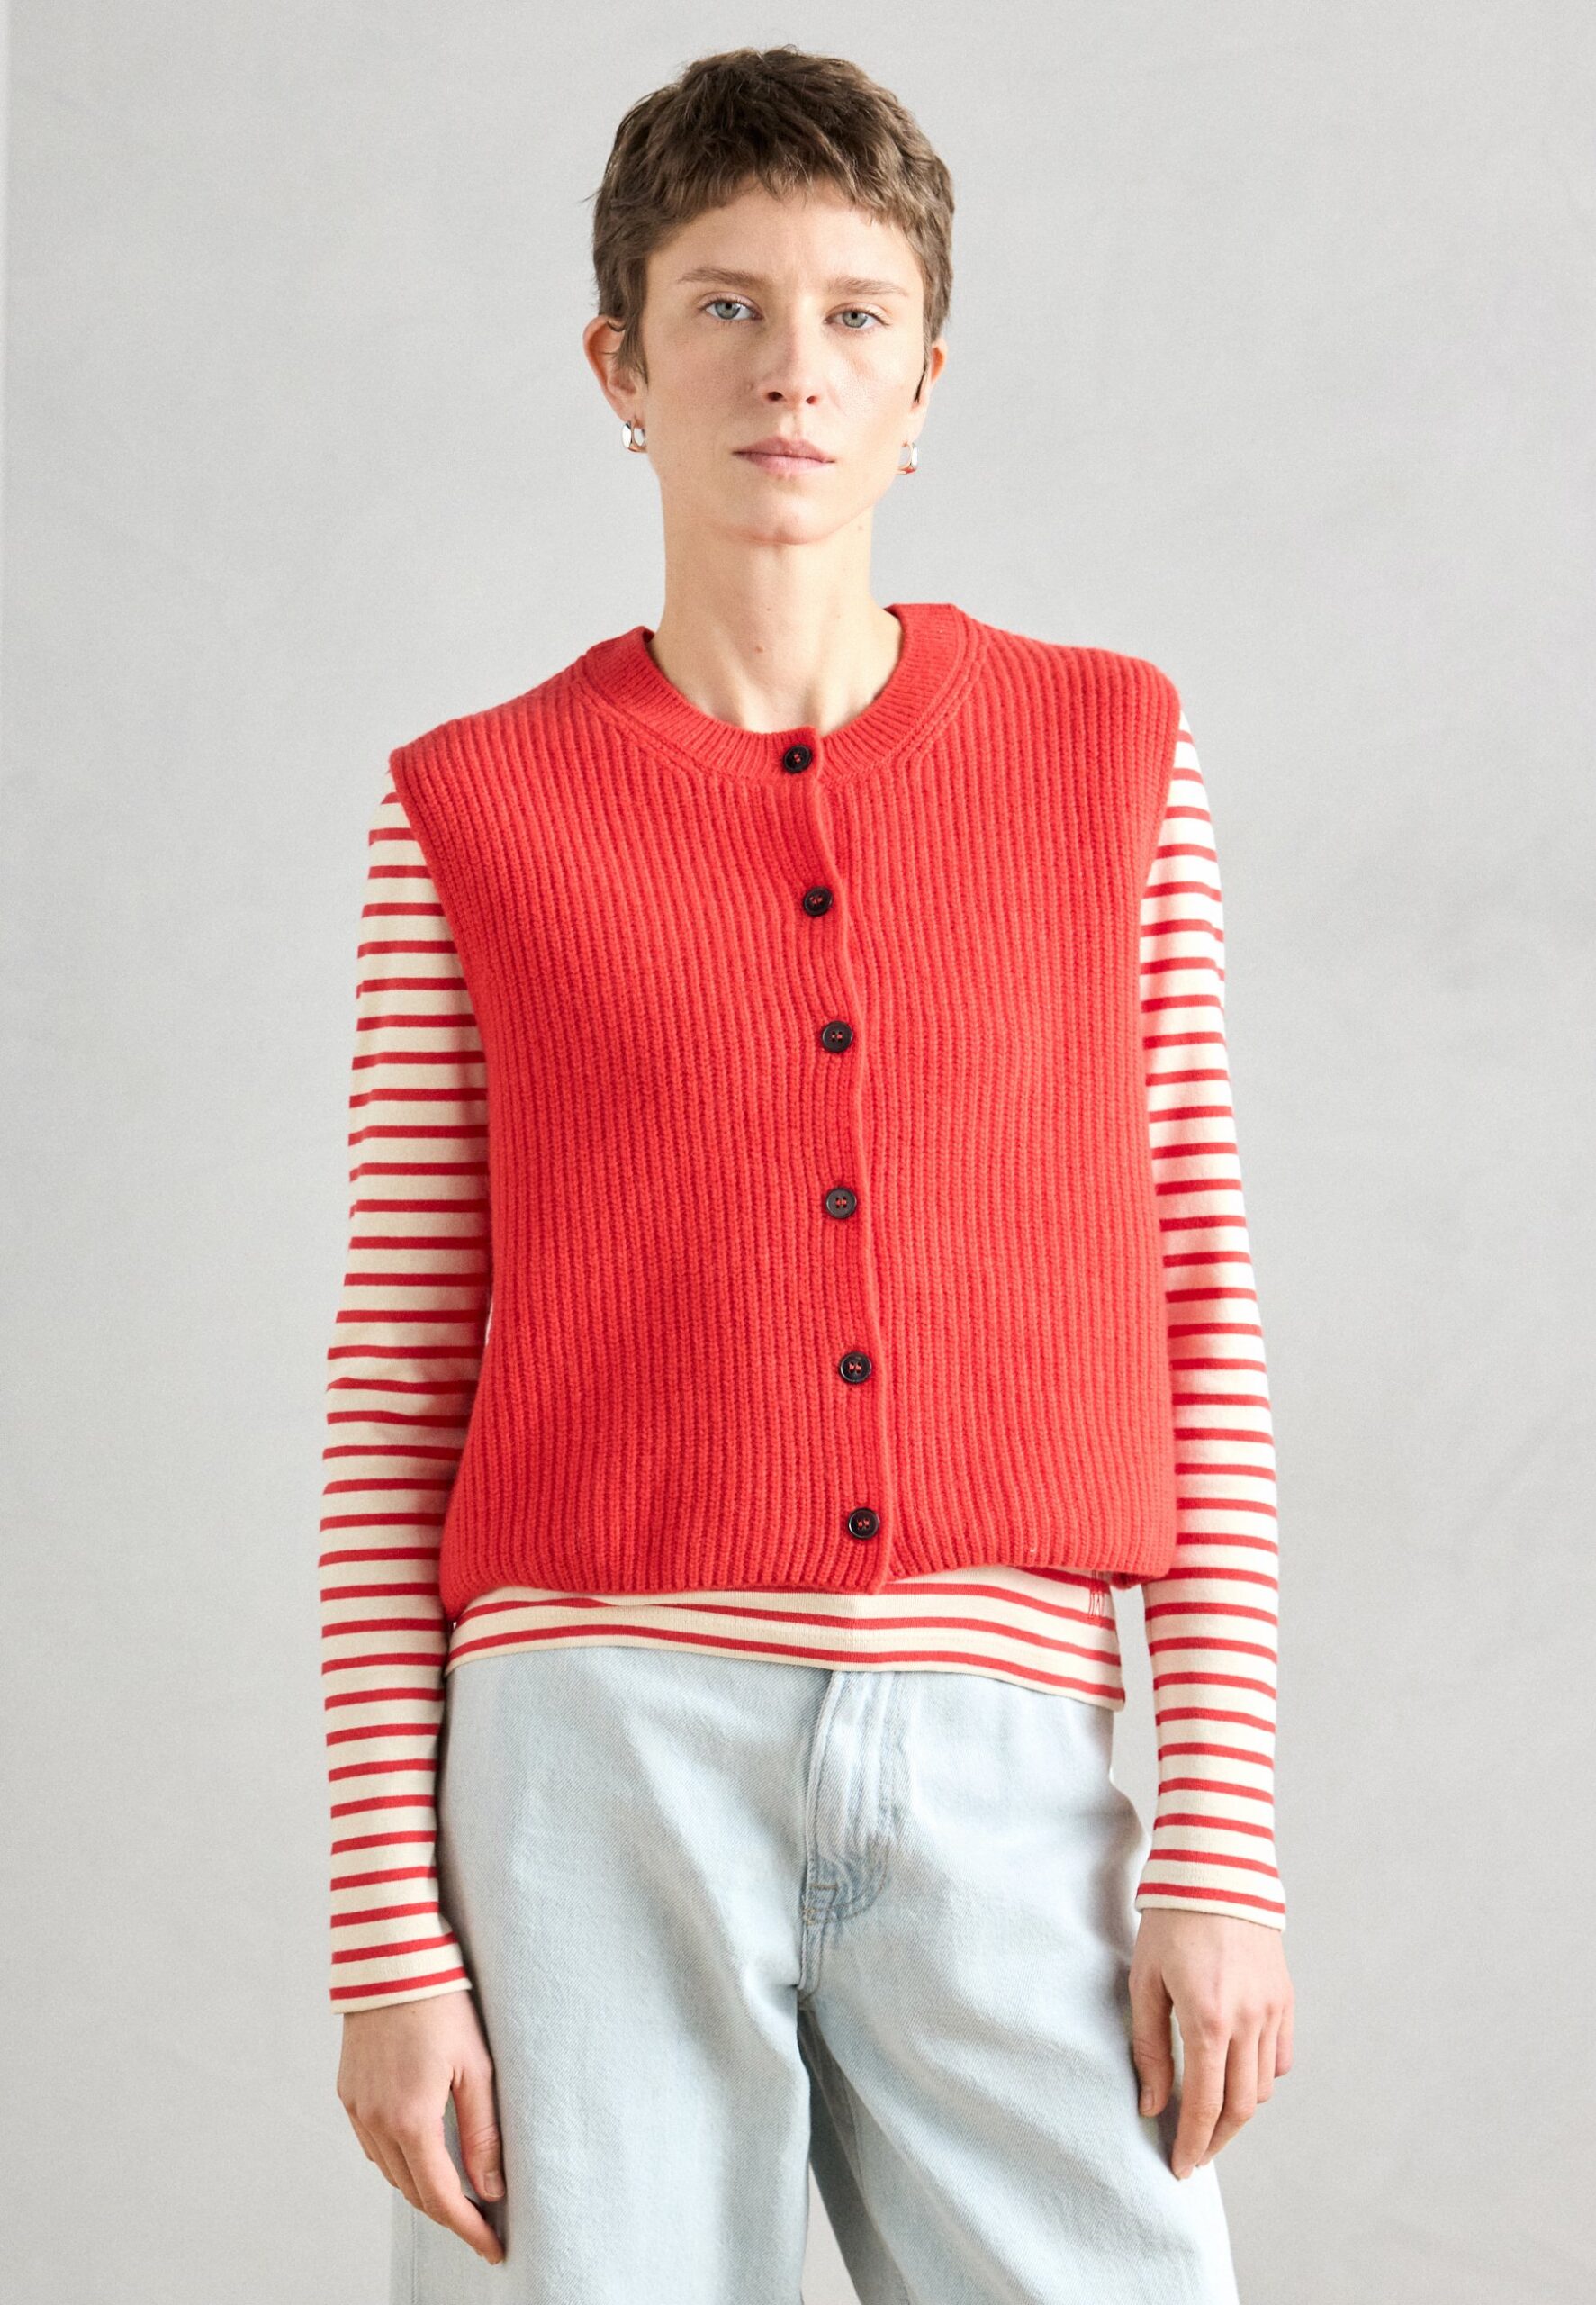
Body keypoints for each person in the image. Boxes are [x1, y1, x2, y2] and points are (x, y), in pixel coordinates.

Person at [320, 43, 1293, 2304]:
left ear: (922, 383)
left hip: (1006, 1748)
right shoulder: (469, 808)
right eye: (725, 307)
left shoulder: (1110, 757)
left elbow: (1195, 1304)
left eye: (854, 313)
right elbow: (395, 1389)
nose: (791, 367)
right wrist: (389, 1934)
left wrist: (1219, 1842)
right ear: (619, 366)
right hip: (591, 1767)